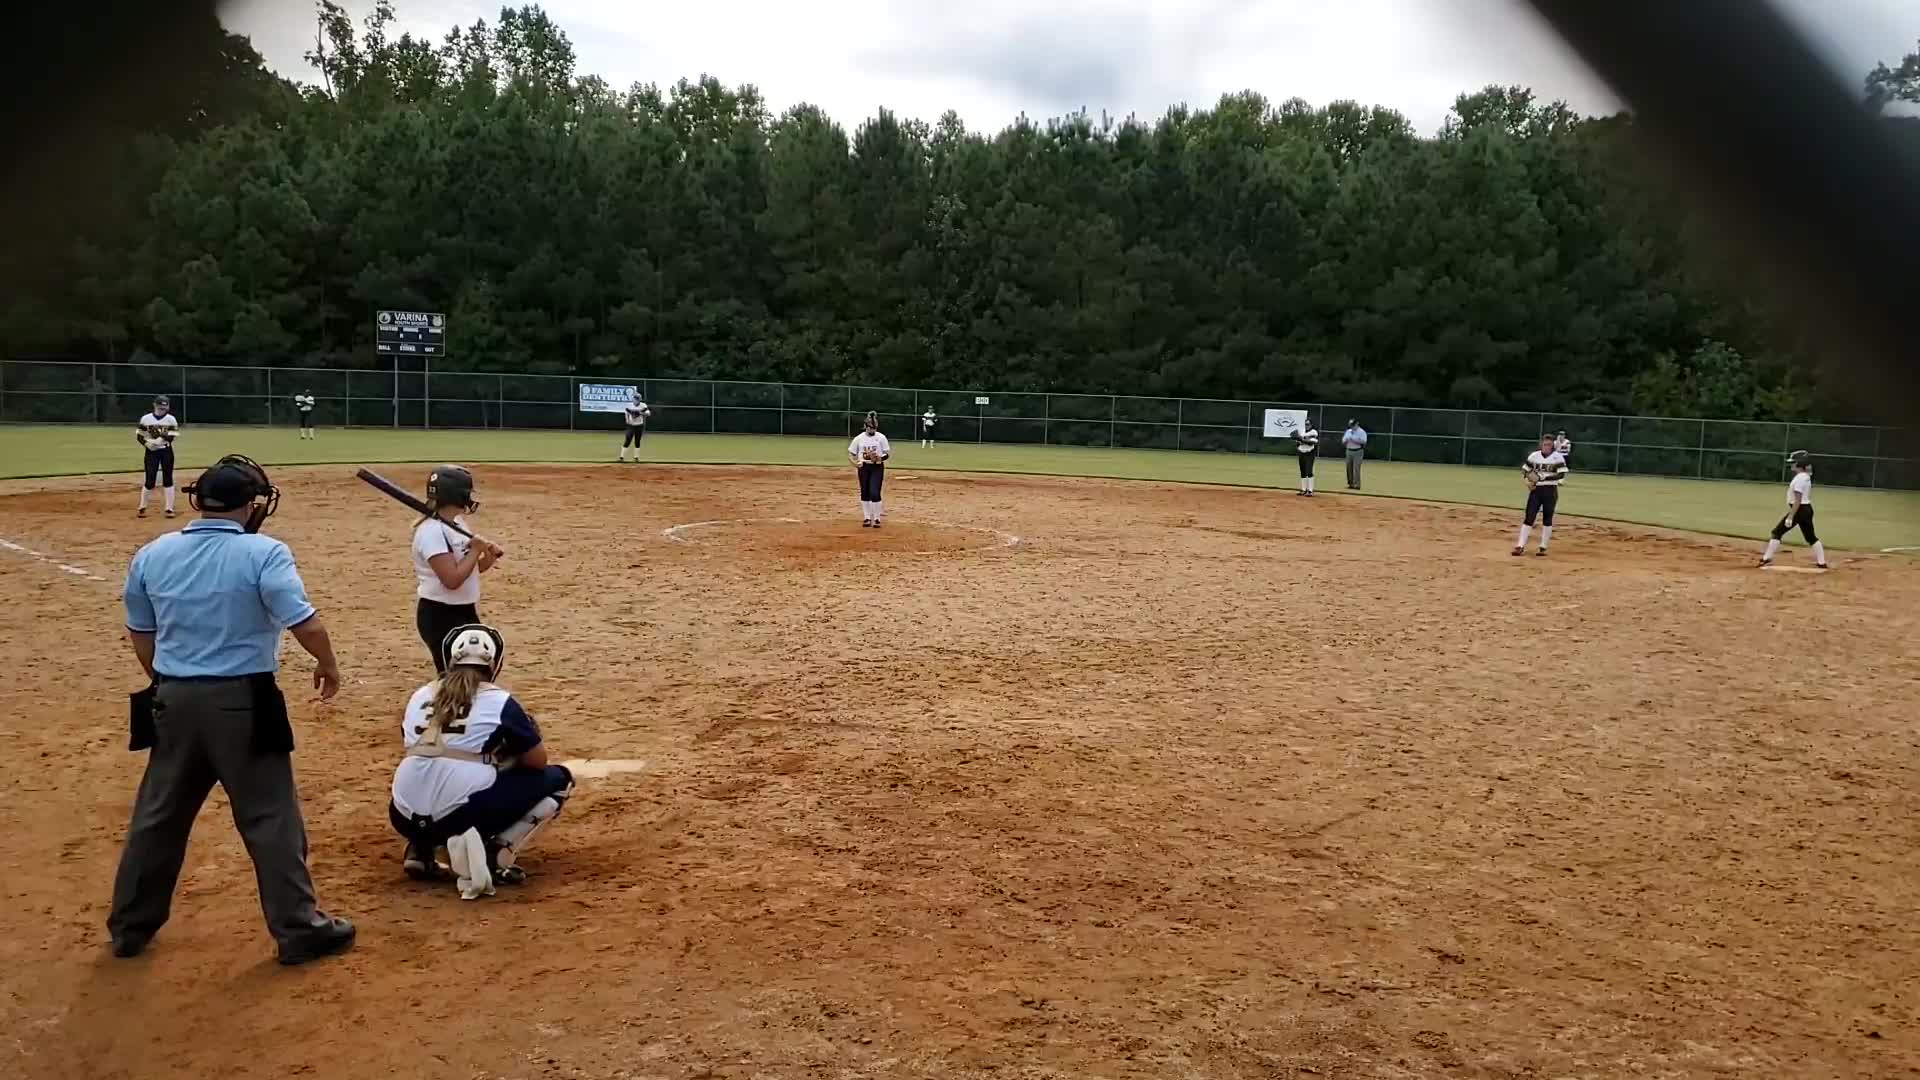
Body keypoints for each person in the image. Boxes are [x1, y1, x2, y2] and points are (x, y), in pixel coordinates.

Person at [109, 454, 354, 965]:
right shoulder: (264, 552)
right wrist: (327, 663)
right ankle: (298, 928)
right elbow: (302, 620)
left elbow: (140, 629)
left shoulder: (153, 552)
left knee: (159, 814)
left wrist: (164, 678)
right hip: (245, 699)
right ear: (248, 505)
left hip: (172, 698)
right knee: (270, 815)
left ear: (200, 501)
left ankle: (131, 925)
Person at [390, 624, 573, 899]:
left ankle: (421, 846)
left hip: (401, 815)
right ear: (495, 664)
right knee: (559, 779)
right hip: (459, 817)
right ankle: (497, 851)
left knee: (431, 771)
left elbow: (418, 746)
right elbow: (537, 762)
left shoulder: (420, 694)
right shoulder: (499, 701)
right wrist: (503, 756)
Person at [412, 465, 505, 673]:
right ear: (457, 495)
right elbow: (452, 580)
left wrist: (487, 557)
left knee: (477, 672)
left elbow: (469, 570)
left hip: (464, 610)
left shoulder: (457, 523)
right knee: (455, 677)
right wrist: (475, 550)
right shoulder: (431, 532)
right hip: (440, 614)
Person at [1760, 450, 1828, 569]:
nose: (1791, 465)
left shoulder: (1800, 479)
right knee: (1810, 537)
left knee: (1777, 532)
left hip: (1799, 510)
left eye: (1794, 462)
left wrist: (1791, 516)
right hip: (1807, 509)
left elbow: (1798, 500)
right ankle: (1821, 563)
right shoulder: (1805, 476)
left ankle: (1766, 558)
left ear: (1800, 464)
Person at [1514, 434, 1569, 556]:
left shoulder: (1557, 457)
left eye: (1549, 445)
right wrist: (1527, 481)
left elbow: (1561, 474)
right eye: (1544, 444)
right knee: (1529, 517)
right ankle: (1520, 545)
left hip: (1550, 490)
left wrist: (1544, 477)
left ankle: (1543, 547)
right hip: (1536, 491)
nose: (1546, 447)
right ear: (1541, 444)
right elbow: (1525, 470)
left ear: (1553, 446)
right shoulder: (1534, 456)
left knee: (1547, 518)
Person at [135, 395, 180, 518]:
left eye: (165, 407)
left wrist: (159, 440)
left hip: (166, 451)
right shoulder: (146, 419)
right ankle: (142, 506)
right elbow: (139, 436)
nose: (162, 409)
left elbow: (173, 435)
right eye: (160, 407)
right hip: (151, 452)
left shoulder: (171, 419)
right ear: (155, 405)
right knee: (150, 479)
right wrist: (147, 444)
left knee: (168, 478)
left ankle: (169, 509)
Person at [849, 411, 891, 527]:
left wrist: (880, 458)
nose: (872, 430)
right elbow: (851, 453)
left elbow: (887, 453)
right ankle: (867, 518)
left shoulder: (881, 437)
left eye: (874, 428)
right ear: (866, 427)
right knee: (865, 491)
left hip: (877, 467)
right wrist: (855, 463)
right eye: (870, 428)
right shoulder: (859, 438)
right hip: (864, 467)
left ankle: (877, 519)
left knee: (874, 491)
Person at [618, 390, 651, 462]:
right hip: (631, 425)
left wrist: (641, 413)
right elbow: (626, 413)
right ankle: (621, 457)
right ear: (633, 399)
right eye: (635, 399)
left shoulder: (643, 405)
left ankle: (636, 457)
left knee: (637, 441)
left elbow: (648, 413)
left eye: (638, 399)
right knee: (628, 439)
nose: (636, 400)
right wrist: (627, 419)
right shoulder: (629, 405)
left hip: (639, 425)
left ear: (640, 400)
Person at [1294, 418, 1320, 496]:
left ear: (1311, 425)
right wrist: (1297, 440)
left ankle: (1310, 490)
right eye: (1305, 424)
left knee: (1309, 471)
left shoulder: (1314, 432)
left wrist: (1301, 439)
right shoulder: (1301, 431)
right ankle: (1303, 489)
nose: (1306, 426)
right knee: (1303, 471)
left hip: (1309, 453)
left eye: (1308, 424)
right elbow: (1298, 443)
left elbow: (1311, 443)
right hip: (1301, 452)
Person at [1341, 418, 1369, 490]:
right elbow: (1343, 440)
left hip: (1358, 451)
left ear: (1357, 424)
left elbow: (1364, 441)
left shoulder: (1361, 432)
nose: (1352, 427)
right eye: (1351, 425)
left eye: (1353, 425)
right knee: (1349, 467)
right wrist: (1346, 440)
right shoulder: (1348, 431)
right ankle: (1351, 484)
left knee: (1356, 468)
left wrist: (1353, 439)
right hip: (1349, 450)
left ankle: (1357, 485)